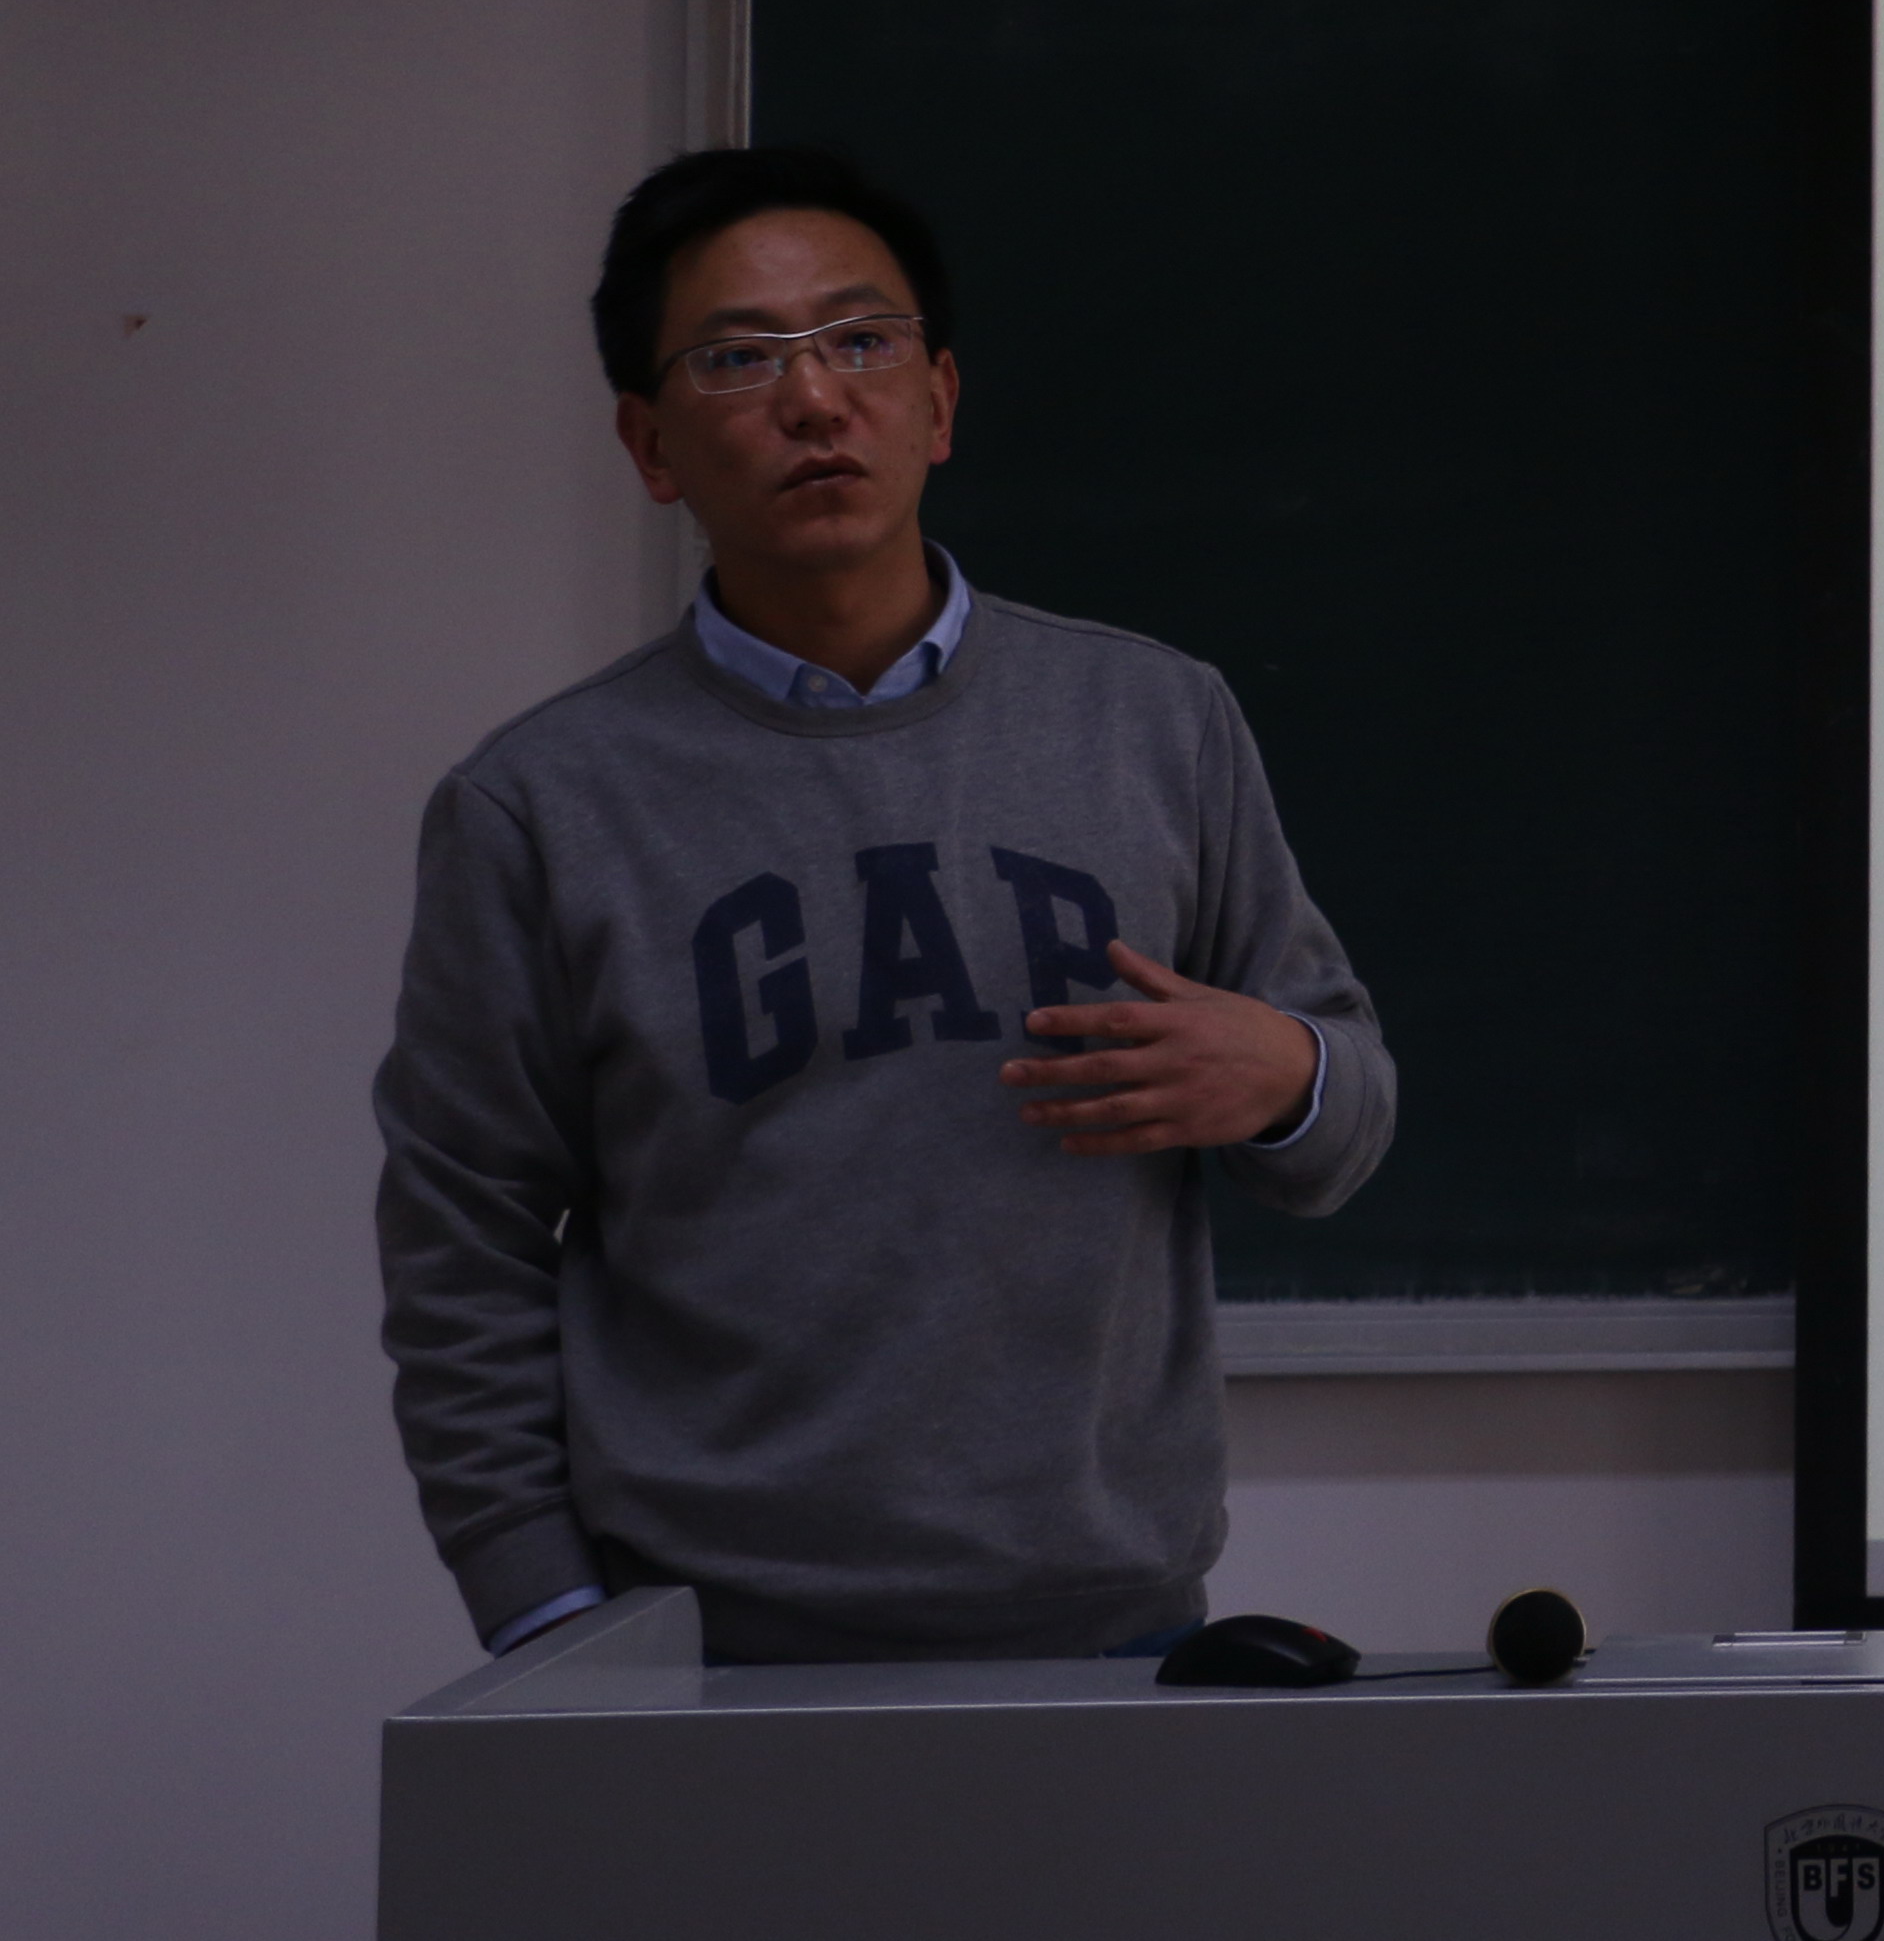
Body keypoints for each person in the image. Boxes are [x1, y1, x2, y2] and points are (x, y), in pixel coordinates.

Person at [375, 147, 1395, 1664]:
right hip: (703, 1651)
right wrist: (548, 1616)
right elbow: (462, 1234)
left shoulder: (1155, 723)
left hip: (1111, 1629)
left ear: (940, 401)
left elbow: (1344, 1116)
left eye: (862, 341)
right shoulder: (540, 805)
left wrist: (1285, 1075)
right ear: (650, 444)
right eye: (740, 359)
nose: (813, 398)